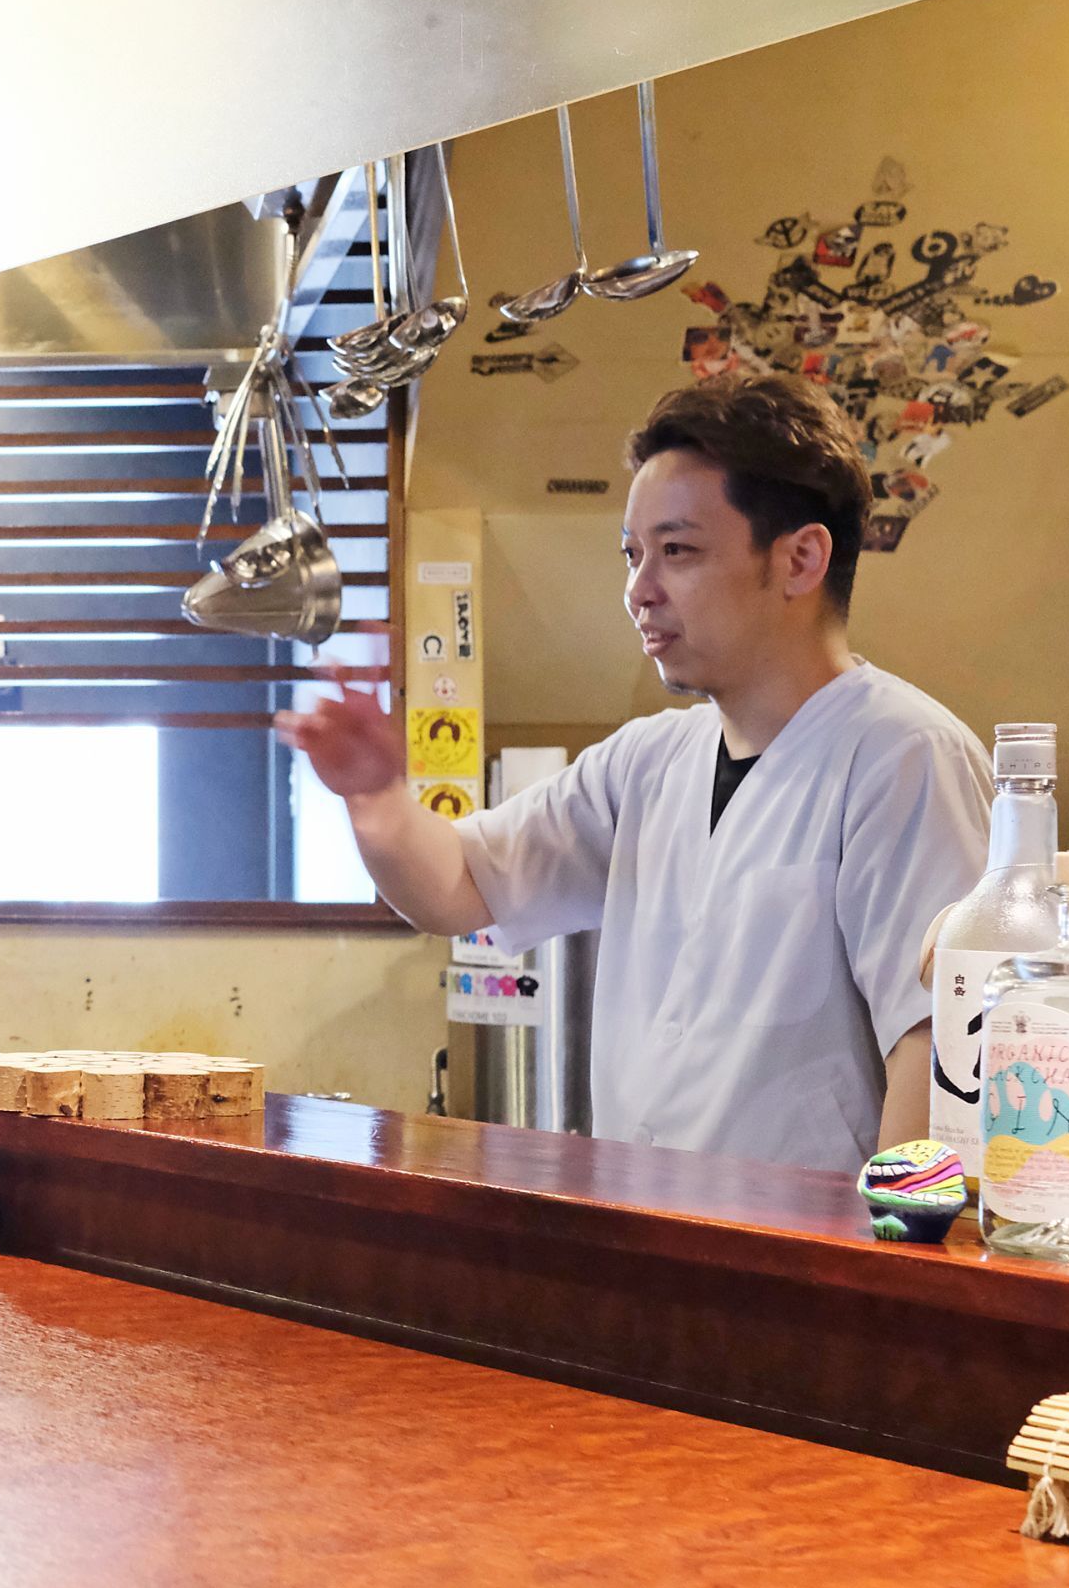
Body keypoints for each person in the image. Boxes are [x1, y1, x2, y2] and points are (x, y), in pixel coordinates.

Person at [280, 374, 989, 1173]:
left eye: (677, 551)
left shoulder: (904, 754)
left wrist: (893, 1245)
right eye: (632, 554)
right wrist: (375, 796)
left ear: (800, 559)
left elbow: (936, 1046)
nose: (637, 591)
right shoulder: (645, 762)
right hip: (640, 1218)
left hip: (807, 1240)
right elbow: (457, 887)